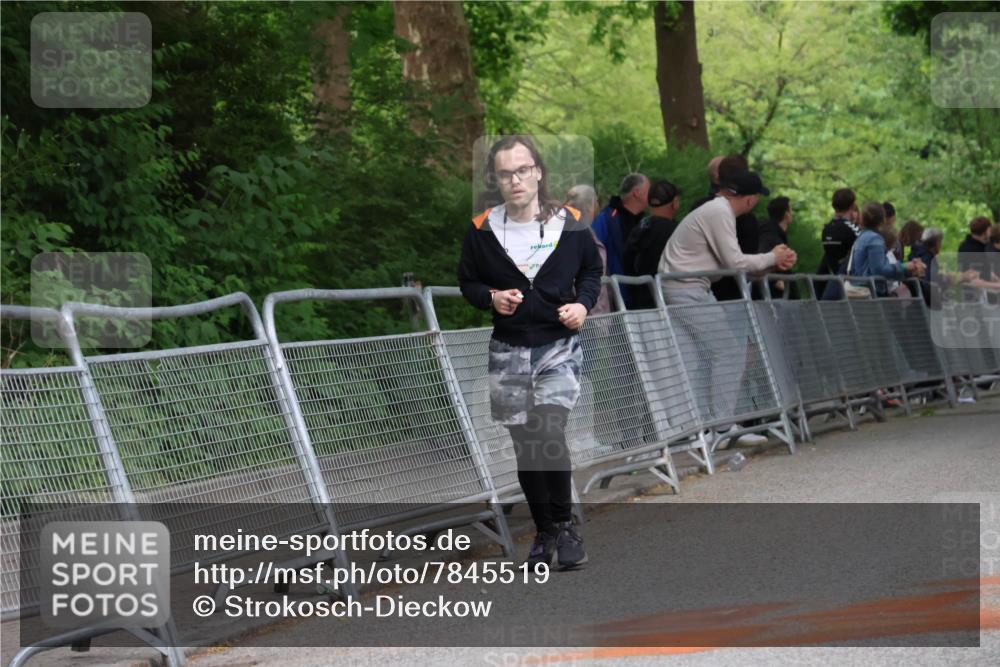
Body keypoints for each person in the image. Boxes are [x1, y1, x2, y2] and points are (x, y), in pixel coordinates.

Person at [459, 135, 602, 569]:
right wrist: (490, 298)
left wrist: (583, 304)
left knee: (548, 429)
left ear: (538, 171)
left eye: (523, 170)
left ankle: (566, 526)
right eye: (505, 174)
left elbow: (592, 270)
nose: (515, 180)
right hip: (507, 349)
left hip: (557, 346)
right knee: (525, 446)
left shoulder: (571, 222)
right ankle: (545, 531)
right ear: (496, 180)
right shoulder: (482, 228)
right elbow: (468, 282)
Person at [659, 170, 797, 447]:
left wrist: (770, 263)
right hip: (686, 288)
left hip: (691, 287)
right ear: (749, 199)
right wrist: (772, 256)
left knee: (710, 355)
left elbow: (726, 265)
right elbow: (734, 263)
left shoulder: (716, 210)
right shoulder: (720, 212)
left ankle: (713, 426)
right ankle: (719, 427)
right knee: (729, 352)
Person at [590, 173, 649, 305]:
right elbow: (593, 254)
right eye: (648, 191)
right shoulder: (606, 219)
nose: (652, 196)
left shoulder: (646, 222)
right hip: (616, 297)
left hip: (644, 296)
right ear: (637, 192)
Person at [622, 179, 682, 309]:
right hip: (665, 304)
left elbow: (627, 261)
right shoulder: (676, 231)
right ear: (675, 203)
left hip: (638, 302)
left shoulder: (640, 226)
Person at [847, 202, 924, 297]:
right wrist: (905, 266)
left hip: (863, 288)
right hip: (872, 293)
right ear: (883, 219)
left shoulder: (863, 236)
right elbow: (880, 269)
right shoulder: (874, 239)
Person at [565, 184, 612, 315]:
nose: (598, 206)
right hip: (587, 312)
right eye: (596, 201)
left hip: (583, 308)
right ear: (589, 205)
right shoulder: (582, 233)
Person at [817, 188, 861, 299]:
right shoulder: (853, 229)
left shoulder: (826, 229)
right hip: (850, 286)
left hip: (830, 281)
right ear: (852, 205)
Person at [759, 196, 795, 298]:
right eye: (790, 210)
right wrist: (776, 280)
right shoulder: (770, 235)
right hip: (773, 295)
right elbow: (762, 255)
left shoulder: (774, 233)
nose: (792, 213)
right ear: (786, 214)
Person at [957, 216, 993, 280]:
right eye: (990, 230)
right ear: (985, 232)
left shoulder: (964, 245)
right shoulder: (975, 250)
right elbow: (979, 275)